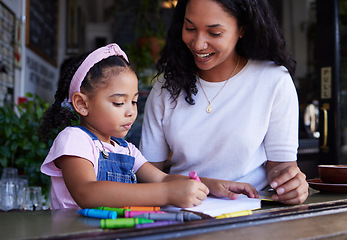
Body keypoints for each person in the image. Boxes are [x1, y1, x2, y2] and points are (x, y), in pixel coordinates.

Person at [39, 43, 257, 209]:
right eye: (118, 102)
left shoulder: (126, 149)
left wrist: (209, 186)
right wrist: (167, 194)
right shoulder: (74, 140)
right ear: (82, 104)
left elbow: (162, 178)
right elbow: (87, 193)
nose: (130, 111)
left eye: (133, 101)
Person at [140, 0, 309, 205]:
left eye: (214, 33)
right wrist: (202, 184)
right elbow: (147, 174)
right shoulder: (166, 88)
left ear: (242, 29)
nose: (198, 43)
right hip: (181, 214)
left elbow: (281, 166)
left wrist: (290, 183)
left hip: (251, 213)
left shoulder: (273, 81)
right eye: (190, 28)